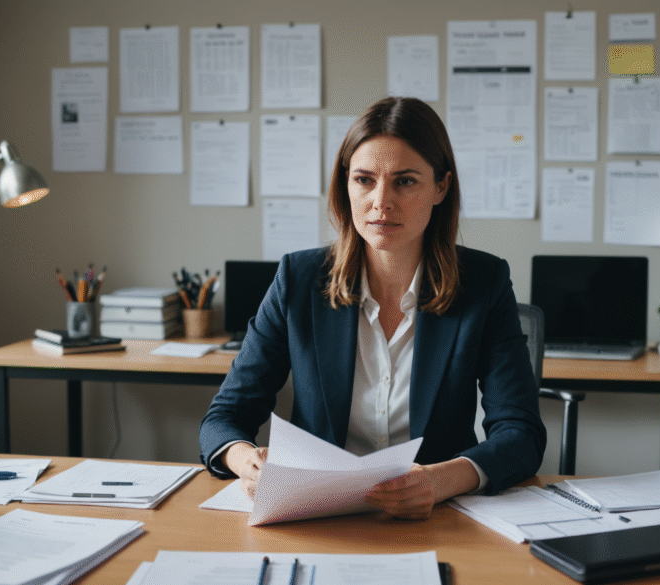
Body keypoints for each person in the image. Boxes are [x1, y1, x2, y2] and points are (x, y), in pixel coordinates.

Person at [199, 96, 546, 520]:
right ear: (345, 186)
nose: (381, 202)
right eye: (364, 179)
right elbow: (226, 416)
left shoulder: (483, 283)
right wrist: (246, 461)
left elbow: (521, 434)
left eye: (405, 181)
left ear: (441, 187)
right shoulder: (299, 279)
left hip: (434, 516)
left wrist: (440, 480)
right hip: (316, 517)